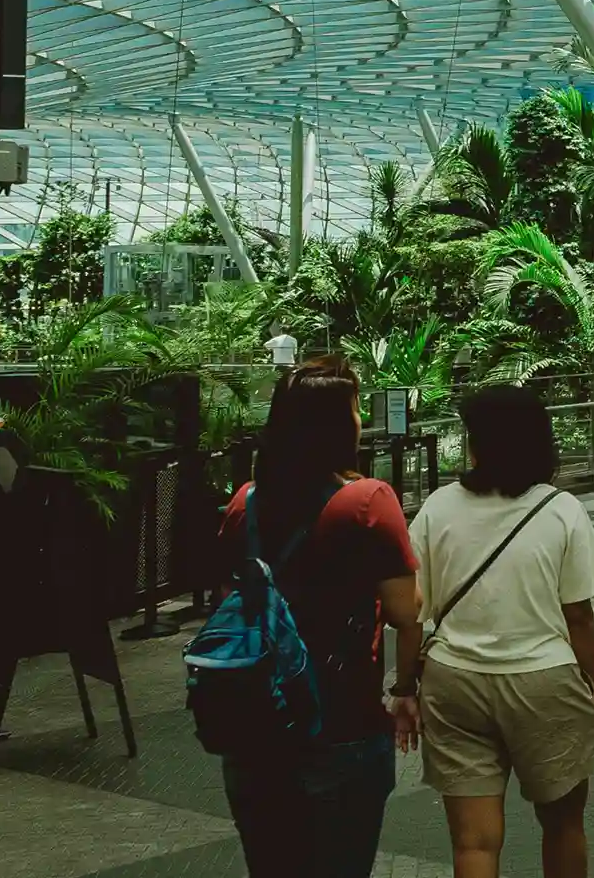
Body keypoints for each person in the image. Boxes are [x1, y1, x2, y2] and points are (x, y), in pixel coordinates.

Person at [217, 369, 419, 878]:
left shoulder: (245, 502)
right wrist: (405, 686)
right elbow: (404, 611)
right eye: (353, 409)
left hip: (255, 726)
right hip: (341, 722)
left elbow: (230, 601)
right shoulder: (369, 502)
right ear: (336, 427)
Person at [402, 386, 594, 878]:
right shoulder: (560, 509)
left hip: (454, 681)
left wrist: (403, 686)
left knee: (473, 842)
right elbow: (579, 615)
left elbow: (411, 610)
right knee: (562, 824)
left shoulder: (438, 507)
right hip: (545, 681)